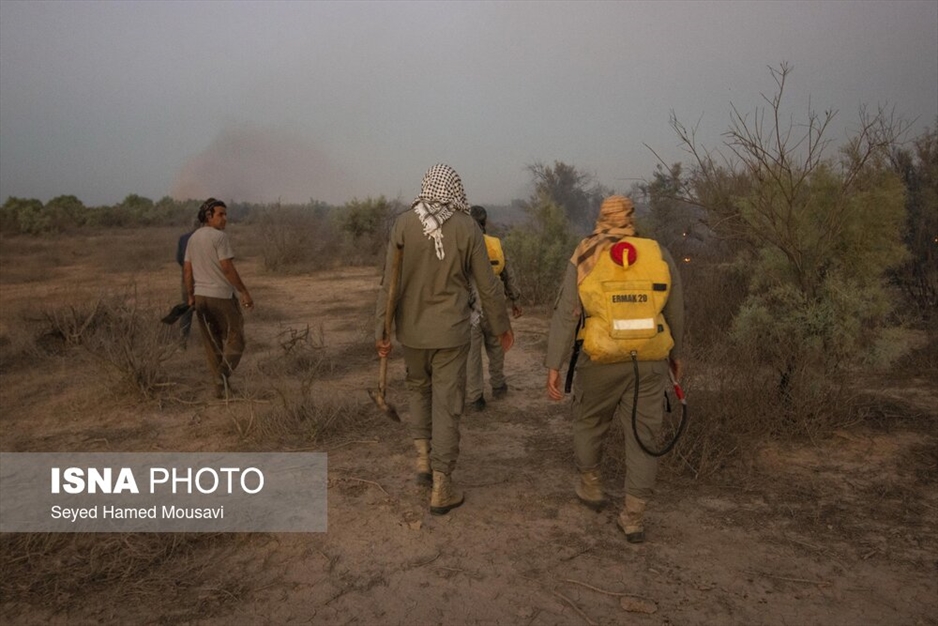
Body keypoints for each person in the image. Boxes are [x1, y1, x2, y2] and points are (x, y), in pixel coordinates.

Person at [545, 195, 684, 543]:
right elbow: (676, 309)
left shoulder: (587, 253)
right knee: (643, 437)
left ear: (602, 218)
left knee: (589, 421)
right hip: (650, 360)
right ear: (631, 218)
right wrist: (676, 354)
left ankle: (591, 485)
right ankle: (634, 517)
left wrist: (555, 364)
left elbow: (568, 311)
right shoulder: (657, 252)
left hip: (599, 360)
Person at [375, 164, 514, 515]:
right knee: (448, 404)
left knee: (419, 390)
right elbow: (487, 283)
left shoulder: (404, 224)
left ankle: (423, 461)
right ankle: (442, 485)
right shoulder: (467, 226)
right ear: (454, 189)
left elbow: (389, 284)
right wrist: (501, 325)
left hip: (413, 333)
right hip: (452, 332)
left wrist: (383, 329)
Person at [183, 198, 254, 399]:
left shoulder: (193, 238)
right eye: (220, 214)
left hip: (201, 296)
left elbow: (187, 270)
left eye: (225, 214)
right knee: (237, 339)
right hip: (221, 295)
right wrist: (244, 292)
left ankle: (220, 389)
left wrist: (190, 295)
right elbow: (227, 268)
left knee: (212, 343)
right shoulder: (219, 237)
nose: (225, 218)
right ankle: (222, 375)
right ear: (209, 216)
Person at [466, 205, 523, 411]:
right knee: (497, 347)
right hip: (495, 305)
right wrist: (515, 299)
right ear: (485, 222)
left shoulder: (461, 244)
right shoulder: (495, 244)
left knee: (472, 355)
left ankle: (475, 398)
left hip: (470, 308)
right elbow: (508, 273)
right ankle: (498, 386)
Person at [175, 224, 197, 348]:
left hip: (187, 278)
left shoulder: (184, 238)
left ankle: (182, 343)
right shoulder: (208, 238)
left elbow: (179, 259)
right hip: (205, 278)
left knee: (187, 310)